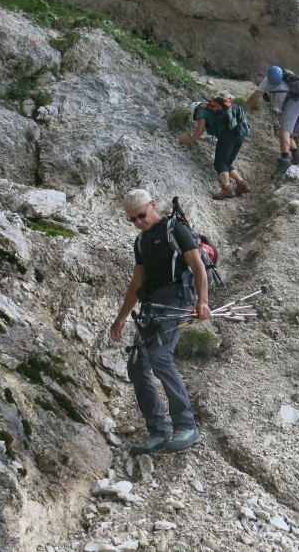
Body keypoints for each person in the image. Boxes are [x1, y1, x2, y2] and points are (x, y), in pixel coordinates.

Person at [110, 188, 210, 456]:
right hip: (151, 305)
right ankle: (157, 431)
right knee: (136, 365)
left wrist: (202, 301)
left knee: (160, 356)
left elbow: (198, 267)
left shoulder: (175, 230)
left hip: (177, 300)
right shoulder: (140, 242)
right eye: (132, 219)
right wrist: (120, 318)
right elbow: (137, 282)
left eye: (141, 215)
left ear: (153, 205)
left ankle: (187, 425)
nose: (138, 222)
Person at [179, 99, 251, 200]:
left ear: (195, 111)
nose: (197, 119)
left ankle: (227, 188)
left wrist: (189, 139)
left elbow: (200, 131)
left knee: (219, 163)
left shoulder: (201, 113)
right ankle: (242, 184)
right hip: (239, 134)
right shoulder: (215, 112)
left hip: (227, 134)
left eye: (195, 117)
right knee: (225, 164)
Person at [244, 65, 299, 173]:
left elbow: (253, 98)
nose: (255, 84)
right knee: (287, 133)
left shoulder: (266, 81)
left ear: (259, 77)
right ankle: (296, 155)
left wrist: (242, 111)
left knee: (284, 132)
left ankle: (285, 161)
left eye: (254, 81)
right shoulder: (284, 77)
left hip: (293, 103)